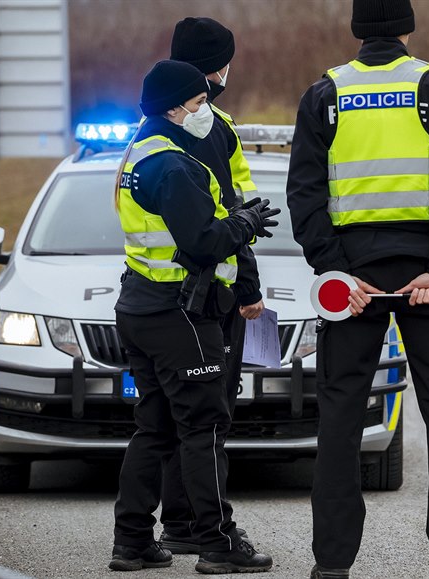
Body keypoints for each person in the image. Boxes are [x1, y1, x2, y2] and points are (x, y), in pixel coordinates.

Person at [286, 1, 429, 577]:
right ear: (406, 26)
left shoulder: (324, 96)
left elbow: (303, 195)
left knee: (341, 418)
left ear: (357, 30)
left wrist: (334, 272)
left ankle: (331, 566)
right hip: (426, 275)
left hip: (353, 280)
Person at [109, 59, 276, 574]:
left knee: (154, 428)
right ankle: (217, 543)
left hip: (140, 304)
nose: (205, 110)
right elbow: (202, 243)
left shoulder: (140, 153)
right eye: (199, 103)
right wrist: (246, 222)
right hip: (180, 313)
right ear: (175, 107)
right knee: (203, 427)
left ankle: (132, 541)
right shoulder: (176, 167)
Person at [158, 15, 264, 556]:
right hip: (210, 296)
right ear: (217, 68)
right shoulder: (211, 126)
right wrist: (249, 290)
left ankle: (176, 524)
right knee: (211, 421)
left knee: (177, 420)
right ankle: (212, 535)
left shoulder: (155, 126)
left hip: (159, 299)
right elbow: (232, 220)